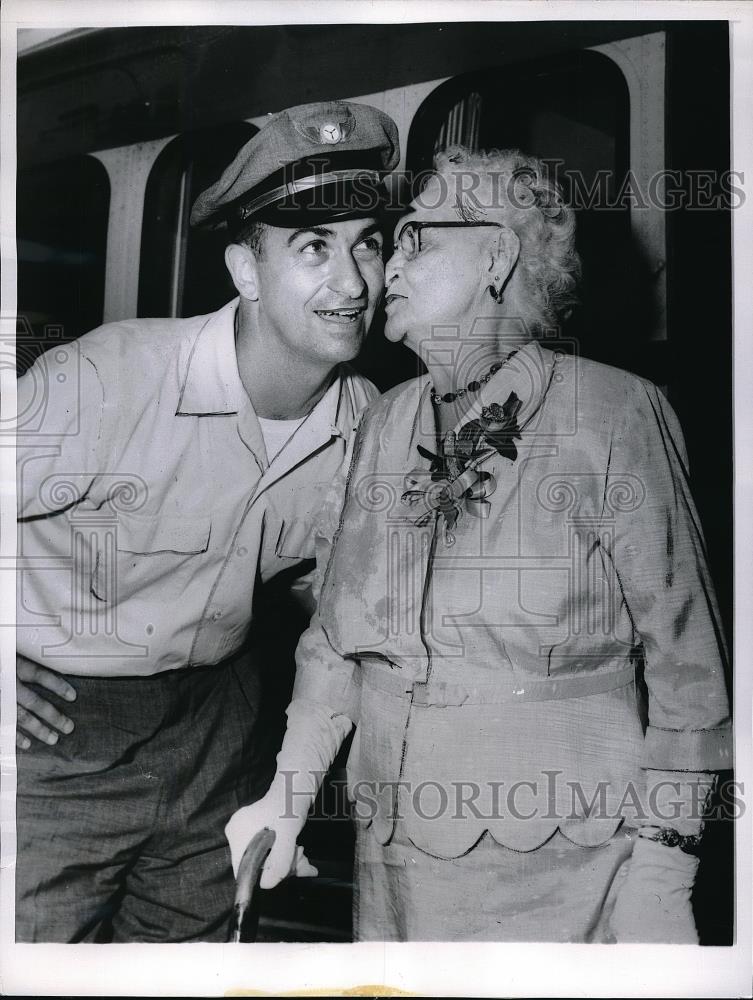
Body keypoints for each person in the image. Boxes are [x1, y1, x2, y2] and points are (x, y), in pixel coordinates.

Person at [226, 146, 732, 942]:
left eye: (416, 239)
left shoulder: (612, 414)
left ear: (497, 255)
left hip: (566, 870)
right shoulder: (383, 422)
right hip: (390, 858)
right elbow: (334, 647)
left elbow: (689, 673)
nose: (386, 263)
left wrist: (664, 872)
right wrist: (287, 798)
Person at [14, 100, 399, 942]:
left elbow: (345, 614)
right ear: (245, 269)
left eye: (367, 241)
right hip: (54, 736)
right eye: (313, 248)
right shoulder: (109, 377)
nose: (352, 283)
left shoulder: (366, 422)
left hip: (219, 730)